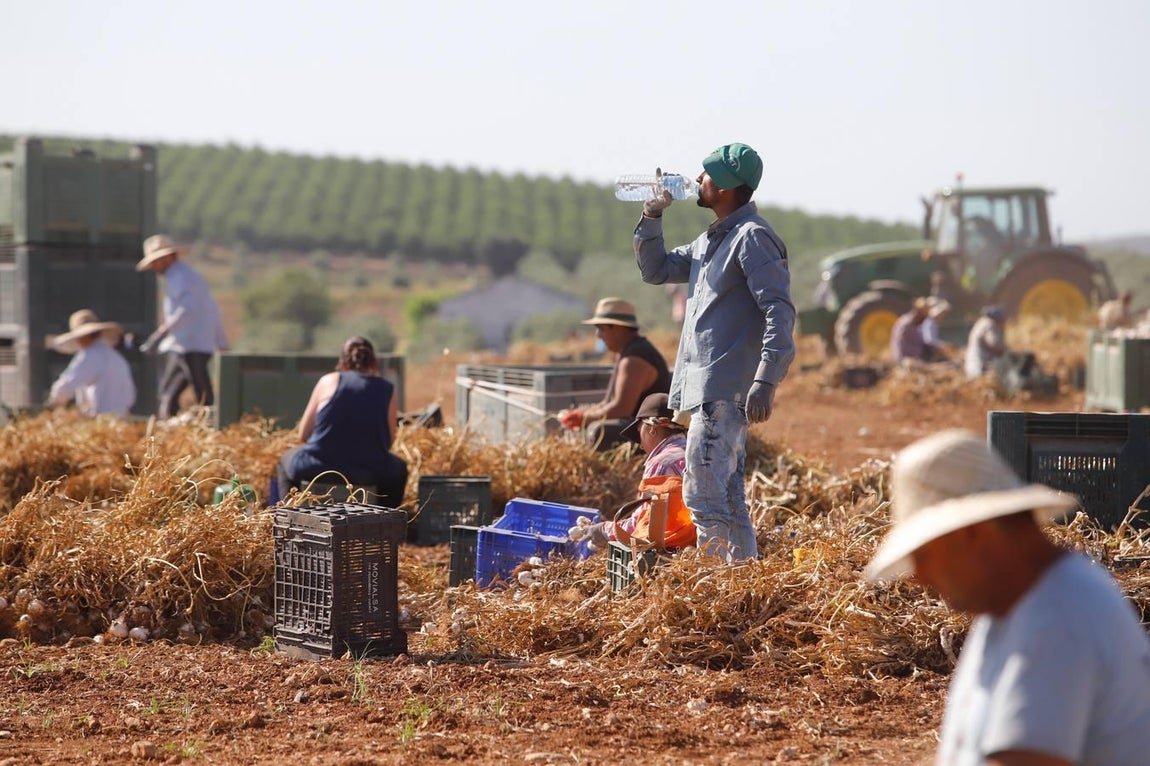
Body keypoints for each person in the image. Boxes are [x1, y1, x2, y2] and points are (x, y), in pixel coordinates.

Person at [866, 430, 1150, 765]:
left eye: (924, 556)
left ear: (972, 534)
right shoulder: (1020, 603)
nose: (917, 578)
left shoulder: (1058, 618)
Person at [634, 143, 796, 561]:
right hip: (710, 390)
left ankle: (714, 594)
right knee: (725, 498)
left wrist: (766, 378)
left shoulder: (752, 238)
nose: (697, 180)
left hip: (724, 390)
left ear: (725, 187)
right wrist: (652, 214)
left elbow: (779, 311)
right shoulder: (710, 242)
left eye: (705, 175)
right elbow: (655, 270)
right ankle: (739, 584)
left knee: (703, 499)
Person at [276, 336, 408, 504]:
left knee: (285, 461)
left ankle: (288, 517)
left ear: (343, 363)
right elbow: (389, 442)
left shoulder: (328, 381)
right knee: (399, 469)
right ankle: (387, 523)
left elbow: (303, 434)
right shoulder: (386, 389)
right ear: (373, 363)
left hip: (317, 467)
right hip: (368, 472)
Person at [574, 392, 694, 551]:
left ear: (651, 429)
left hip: (673, 551)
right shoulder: (694, 454)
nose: (641, 446)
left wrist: (604, 530)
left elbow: (644, 525)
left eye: (639, 433)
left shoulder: (661, 463)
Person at [557, 298, 671, 450]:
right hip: (641, 428)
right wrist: (583, 414)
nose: (598, 335)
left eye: (601, 328)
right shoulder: (626, 353)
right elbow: (607, 403)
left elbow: (621, 409)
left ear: (617, 328)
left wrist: (583, 418)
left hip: (652, 433)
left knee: (599, 432)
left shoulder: (634, 359)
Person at [136, 234, 228, 417]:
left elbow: (186, 309)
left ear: (167, 258)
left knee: (192, 391)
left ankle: (210, 424)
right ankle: (176, 428)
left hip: (190, 343)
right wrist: (220, 340)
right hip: (189, 343)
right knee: (172, 391)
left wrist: (162, 332)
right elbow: (210, 309)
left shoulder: (181, 278)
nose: (153, 267)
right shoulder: (188, 276)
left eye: (155, 262)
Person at [47, 309, 136, 417]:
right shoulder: (117, 358)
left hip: (101, 421)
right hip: (122, 421)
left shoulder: (90, 356)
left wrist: (52, 406)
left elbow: (65, 386)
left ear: (83, 336)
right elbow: (130, 396)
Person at [964, 305, 1008, 379]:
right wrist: (1007, 351)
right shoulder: (989, 324)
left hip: (973, 364)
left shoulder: (981, 322)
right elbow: (993, 344)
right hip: (979, 366)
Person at [889, 298, 930, 365]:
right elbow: (900, 348)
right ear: (918, 312)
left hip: (915, 357)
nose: (925, 318)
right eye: (924, 315)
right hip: (906, 360)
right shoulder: (906, 324)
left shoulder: (916, 324)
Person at [921, 297, 954, 363]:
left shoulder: (933, 323)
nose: (943, 316)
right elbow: (929, 341)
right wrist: (942, 345)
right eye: (942, 314)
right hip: (926, 353)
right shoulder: (929, 322)